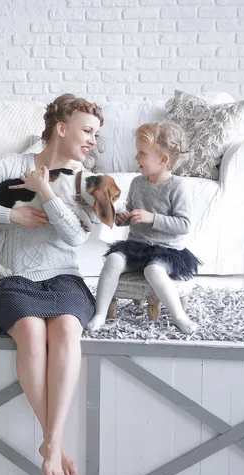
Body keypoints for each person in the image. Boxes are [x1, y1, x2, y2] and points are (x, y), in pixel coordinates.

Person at [0, 94, 102, 475]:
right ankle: (54, 442)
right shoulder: (9, 166)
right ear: (61, 128)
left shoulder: (84, 178)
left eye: (96, 134)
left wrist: (47, 193)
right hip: (11, 278)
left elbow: (74, 239)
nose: (92, 140)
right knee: (32, 332)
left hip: (63, 276)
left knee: (67, 328)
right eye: (87, 130)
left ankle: (51, 441)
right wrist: (10, 213)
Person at [87, 121, 201, 334]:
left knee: (153, 270)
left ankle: (179, 316)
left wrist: (152, 218)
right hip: (137, 245)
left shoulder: (177, 187)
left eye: (142, 153)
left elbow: (184, 225)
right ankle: (99, 313)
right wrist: (123, 217)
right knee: (113, 260)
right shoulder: (138, 183)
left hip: (166, 250)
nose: (135, 157)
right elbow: (132, 212)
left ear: (163, 160)